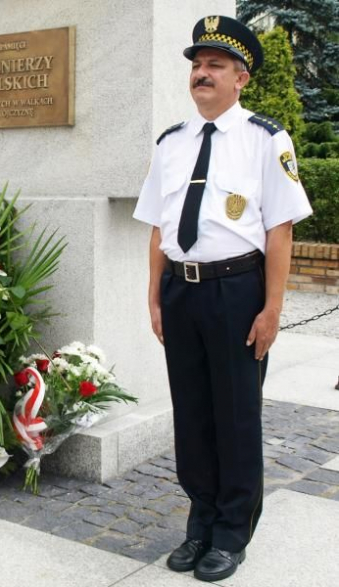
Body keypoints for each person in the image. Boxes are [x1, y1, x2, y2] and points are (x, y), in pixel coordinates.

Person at [133, 16, 313, 583]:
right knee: (192, 414)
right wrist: (155, 298)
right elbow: (160, 227)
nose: (201, 74)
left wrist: (273, 309)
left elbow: (279, 230)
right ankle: (200, 521)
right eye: (196, 65)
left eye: (214, 65)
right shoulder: (171, 143)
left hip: (238, 290)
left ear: (242, 78)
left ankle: (232, 532)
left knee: (236, 415)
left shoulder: (266, 139)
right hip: (180, 291)